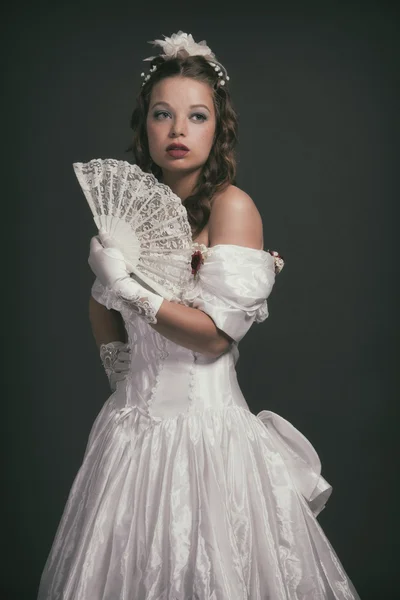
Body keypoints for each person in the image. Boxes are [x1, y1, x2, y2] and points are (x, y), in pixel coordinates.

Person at [37, 31, 360, 599]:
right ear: (146, 129)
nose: (178, 130)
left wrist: (125, 284)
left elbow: (213, 339)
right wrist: (124, 381)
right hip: (131, 438)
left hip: (208, 441)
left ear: (219, 129)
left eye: (196, 116)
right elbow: (100, 309)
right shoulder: (131, 220)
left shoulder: (232, 207)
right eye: (163, 115)